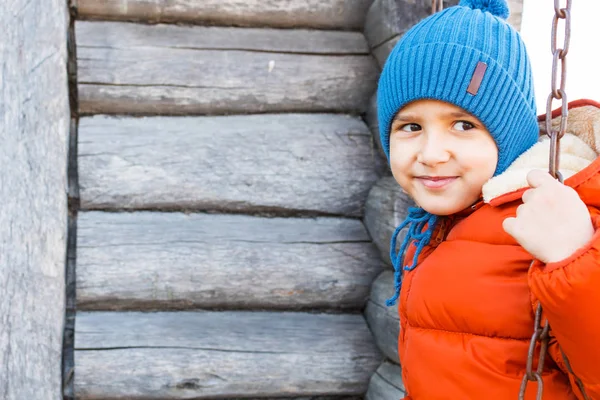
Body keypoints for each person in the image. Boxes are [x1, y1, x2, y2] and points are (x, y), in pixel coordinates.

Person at [377, 0, 600, 398]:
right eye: (410, 126)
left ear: (510, 136)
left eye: (463, 125)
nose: (430, 153)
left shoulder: (560, 221)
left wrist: (575, 261)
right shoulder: (441, 224)